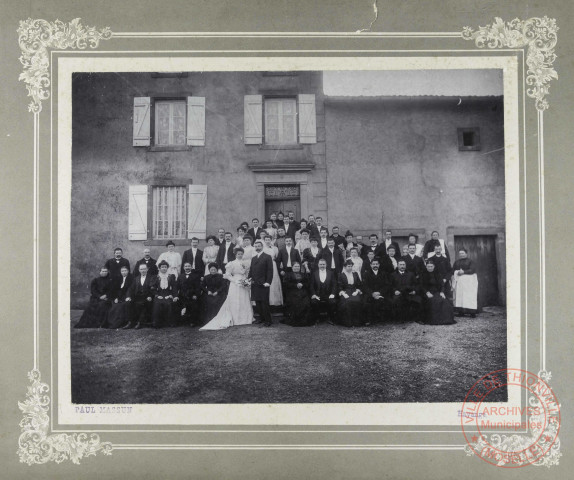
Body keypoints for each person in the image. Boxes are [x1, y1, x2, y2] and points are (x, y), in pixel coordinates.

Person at [200, 248, 254, 330]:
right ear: (235, 255)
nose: (240, 255)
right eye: (238, 254)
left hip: (243, 283)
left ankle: (245, 318)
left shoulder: (245, 263)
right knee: (235, 299)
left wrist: (246, 281)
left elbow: (246, 273)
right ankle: (235, 318)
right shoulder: (231, 263)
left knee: (244, 299)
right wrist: (236, 281)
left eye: (241, 254)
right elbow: (227, 275)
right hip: (235, 282)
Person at [420, 260, 456, 325]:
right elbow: (421, 286)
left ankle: (445, 320)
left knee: (444, 301)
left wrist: (442, 292)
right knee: (433, 302)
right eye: (428, 266)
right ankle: (435, 320)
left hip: (436, 292)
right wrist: (427, 292)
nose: (430, 268)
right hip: (426, 292)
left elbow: (441, 284)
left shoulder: (437, 274)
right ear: (426, 267)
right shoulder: (422, 274)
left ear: (434, 267)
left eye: (431, 266)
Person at [250, 241, 274, 327]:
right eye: (255, 246)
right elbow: (251, 271)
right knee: (258, 302)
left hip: (264, 283)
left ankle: (268, 320)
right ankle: (261, 319)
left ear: (262, 246)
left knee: (264, 302)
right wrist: (249, 280)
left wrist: (268, 282)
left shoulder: (267, 257)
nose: (257, 247)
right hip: (255, 283)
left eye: (258, 246)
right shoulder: (253, 258)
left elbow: (270, 271)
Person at [124, 263, 156, 329]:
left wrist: (150, 296)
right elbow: (131, 289)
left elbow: (153, 288)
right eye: (141, 269)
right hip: (137, 297)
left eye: (144, 269)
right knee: (128, 303)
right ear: (139, 270)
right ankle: (130, 322)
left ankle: (140, 322)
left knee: (143, 304)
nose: (143, 270)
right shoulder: (136, 278)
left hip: (147, 297)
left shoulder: (151, 277)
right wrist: (128, 296)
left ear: (147, 269)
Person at [281, 262, 313, 327]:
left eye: (298, 266)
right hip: (292, 291)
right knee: (296, 301)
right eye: (295, 266)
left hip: (303, 291)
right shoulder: (288, 274)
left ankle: (304, 320)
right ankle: (296, 320)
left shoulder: (303, 274)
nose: (297, 268)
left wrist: (302, 284)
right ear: (292, 267)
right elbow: (286, 284)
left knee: (306, 301)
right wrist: (295, 285)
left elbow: (308, 283)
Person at [362, 258, 391, 325]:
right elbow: (365, 286)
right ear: (370, 265)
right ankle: (368, 320)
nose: (375, 265)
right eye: (373, 264)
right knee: (366, 302)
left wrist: (379, 293)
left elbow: (387, 285)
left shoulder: (383, 273)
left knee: (384, 301)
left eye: (376, 264)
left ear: (379, 265)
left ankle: (380, 320)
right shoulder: (366, 274)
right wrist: (372, 293)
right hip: (370, 293)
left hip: (380, 293)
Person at [452, 248, 479, 317]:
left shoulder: (470, 261)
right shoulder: (457, 262)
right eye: (460, 254)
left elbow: (473, 270)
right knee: (460, 296)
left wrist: (464, 272)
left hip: (469, 282)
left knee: (469, 296)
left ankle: (472, 312)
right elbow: (453, 270)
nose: (461, 255)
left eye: (463, 253)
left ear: (466, 254)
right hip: (460, 282)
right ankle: (461, 312)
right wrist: (456, 272)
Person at [337, 260, 364, 327]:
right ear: (345, 267)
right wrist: (343, 293)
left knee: (357, 301)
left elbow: (359, 284)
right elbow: (339, 286)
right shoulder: (341, 275)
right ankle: (348, 322)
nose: (350, 268)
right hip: (345, 291)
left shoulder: (355, 274)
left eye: (351, 266)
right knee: (348, 302)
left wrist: (357, 291)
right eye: (348, 266)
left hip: (354, 291)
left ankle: (356, 322)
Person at [310, 259, 337, 325]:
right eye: (321, 264)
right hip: (317, 294)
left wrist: (333, 293)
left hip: (328, 294)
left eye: (323, 264)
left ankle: (330, 318)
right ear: (318, 265)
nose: (322, 266)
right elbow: (311, 285)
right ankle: (317, 318)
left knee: (332, 302)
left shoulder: (331, 273)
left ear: (326, 265)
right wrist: (313, 294)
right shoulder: (314, 273)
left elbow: (334, 285)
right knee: (314, 302)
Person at [150, 260, 177, 328]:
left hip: (168, 293)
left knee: (169, 303)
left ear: (167, 268)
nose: (164, 268)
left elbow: (174, 287)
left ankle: (169, 323)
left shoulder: (171, 276)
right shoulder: (155, 277)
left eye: (165, 267)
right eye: (162, 267)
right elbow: (152, 288)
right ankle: (157, 323)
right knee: (157, 304)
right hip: (159, 294)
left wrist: (173, 296)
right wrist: (157, 295)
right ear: (159, 268)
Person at [176, 261, 203, 326]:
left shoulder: (195, 276)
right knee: (180, 304)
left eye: (189, 266)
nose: (187, 267)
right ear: (183, 268)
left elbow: (198, 287)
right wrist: (177, 295)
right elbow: (177, 287)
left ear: (191, 267)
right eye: (186, 266)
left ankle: (192, 321)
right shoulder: (180, 276)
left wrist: (195, 295)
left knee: (193, 305)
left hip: (192, 295)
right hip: (182, 295)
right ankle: (182, 321)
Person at [263, 235, 283, 306]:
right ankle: (267, 301)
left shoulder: (275, 248)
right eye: (266, 240)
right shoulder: (262, 248)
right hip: (265, 266)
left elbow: (277, 258)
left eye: (269, 240)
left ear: (271, 240)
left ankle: (275, 301)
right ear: (264, 241)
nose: (268, 241)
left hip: (273, 265)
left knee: (274, 281)